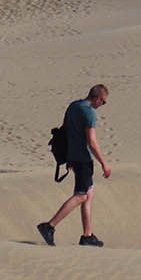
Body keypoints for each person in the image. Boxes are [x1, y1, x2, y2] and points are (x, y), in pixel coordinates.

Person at [37, 84, 111, 247]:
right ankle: (49, 226)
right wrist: (104, 163)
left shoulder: (73, 106)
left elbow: (66, 131)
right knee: (81, 195)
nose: (102, 105)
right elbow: (91, 141)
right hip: (84, 159)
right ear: (98, 98)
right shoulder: (89, 113)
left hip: (73, 157)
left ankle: (87, 235)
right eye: (103, 102)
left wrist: (69, 158)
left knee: (89, 193)